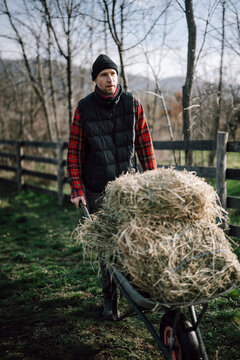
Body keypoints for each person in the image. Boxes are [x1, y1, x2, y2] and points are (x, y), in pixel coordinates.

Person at [67, 54, 157, 320]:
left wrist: (152, 182)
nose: (110, 79)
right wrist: (77, 190)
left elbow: (144, 145)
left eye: (113, 74)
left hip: (129, 188)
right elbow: (74, 153)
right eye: (104, 74)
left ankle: (137, 289)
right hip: (97, 188)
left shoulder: (133, 104)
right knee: (107, 246)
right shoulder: (84, 109)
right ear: (95, 79)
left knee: (133, 239)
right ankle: (110, 299)